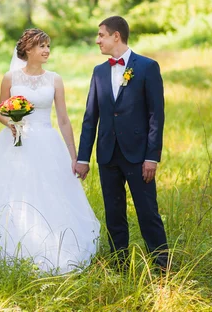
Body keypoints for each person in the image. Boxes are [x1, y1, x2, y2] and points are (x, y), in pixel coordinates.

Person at [0, 28, 100, 274]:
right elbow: (0, 112)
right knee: (13, 191)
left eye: (48, 46)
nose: (46, 50)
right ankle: (10, 247)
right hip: (16, 143)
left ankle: (54, 245)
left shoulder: (55, 79)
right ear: (27, 50)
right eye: (41, 46)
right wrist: (11, 124)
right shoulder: (10, 78)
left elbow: (64, 119)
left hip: (47, 141)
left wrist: (74, 155)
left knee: (50, 192)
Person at [74, 16, 169, 269]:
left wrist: (152, 157)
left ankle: (162, 268)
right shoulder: (99, 72)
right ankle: (119, 265)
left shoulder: (148, 67)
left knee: (148, 213)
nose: (98, 40)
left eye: (101, 35)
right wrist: (83, 158)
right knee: (114, 214)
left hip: (138, 156)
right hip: (107, 155)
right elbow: (89, 117)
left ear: (116, 36)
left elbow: (155, 115)